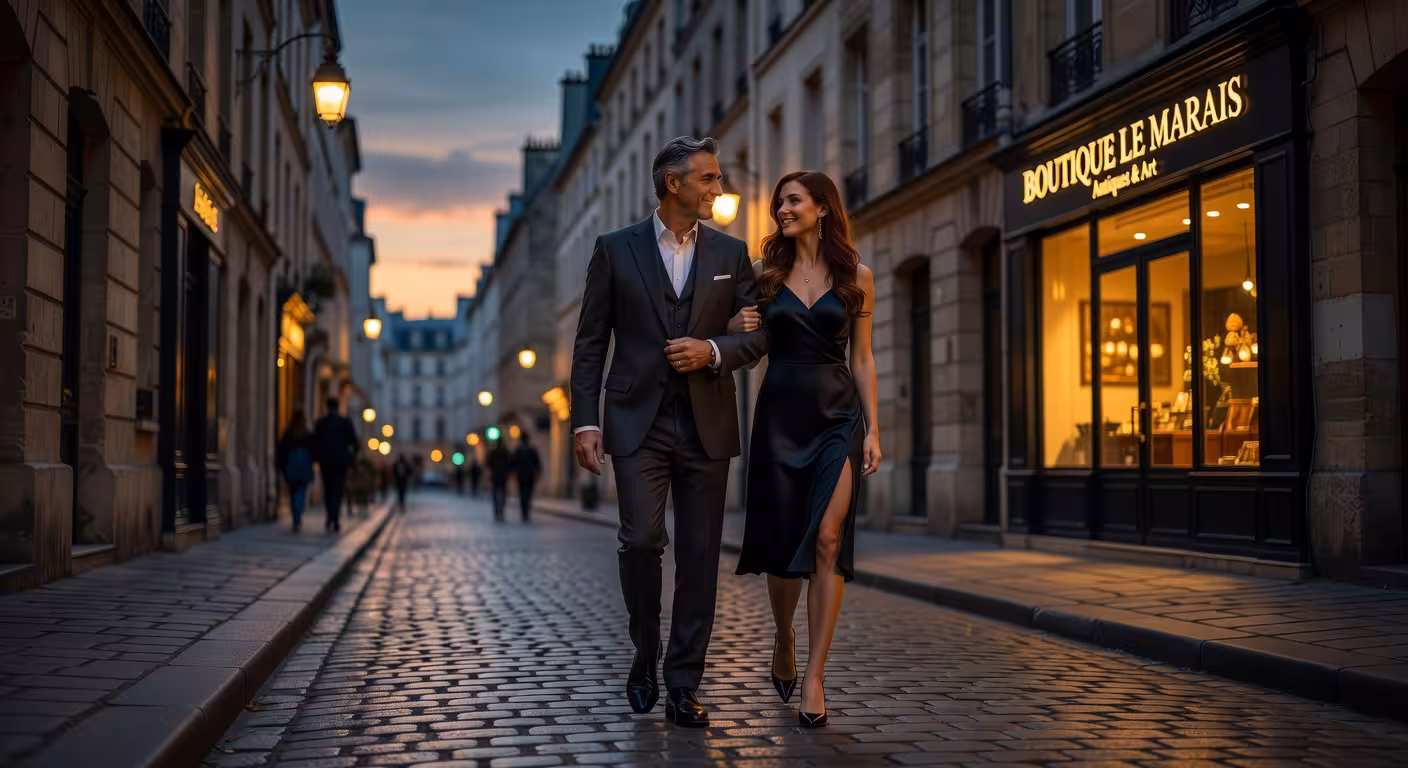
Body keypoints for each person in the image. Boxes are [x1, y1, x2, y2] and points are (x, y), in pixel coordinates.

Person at [570, 136, 767, 728]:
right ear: (673, 184)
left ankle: (683, 682)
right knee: (640, 541)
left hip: (707, 422)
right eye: (708, 179)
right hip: (636, 422)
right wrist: (586, 420)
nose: (718, 189)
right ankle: (644, 653)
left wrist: (712, 349)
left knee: (701, 557)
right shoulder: (614, 249)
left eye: (718, 178)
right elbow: (589, 343)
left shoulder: (733, 253)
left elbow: (757, 337)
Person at [731, 171, 881, 728]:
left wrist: (875, 429)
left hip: (838, 417)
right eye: (779, 203)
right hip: (779, 418)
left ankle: (815, 676)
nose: (782, 210)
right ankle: (784, 636)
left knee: (827, 538)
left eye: (792, 201)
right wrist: (736, 321)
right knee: (780, 548)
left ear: (822, 207)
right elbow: (743, 337)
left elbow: (863, 358)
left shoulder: (858, 276)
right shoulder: (765, 278)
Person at [313, 397, 359, 533]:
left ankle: (330, 515)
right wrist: (350, 457)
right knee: (338, 490)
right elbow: (355, 443)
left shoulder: (321, 423)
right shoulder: (344, 422)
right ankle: (335, 516)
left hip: (325, 462)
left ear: (327, 407)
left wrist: (317, 457)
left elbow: (315, 442)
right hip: (340, 462)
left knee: (327, 489)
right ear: (338, 407)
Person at [275, 412, 314, 532]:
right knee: (301, 492)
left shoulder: (288, 434)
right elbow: (313, 450)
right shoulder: (306, 434)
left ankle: (296, 516)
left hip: (291, 466)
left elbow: (282, 450)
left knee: (293, 492)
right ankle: (298, 515)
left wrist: (282, 466)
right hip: (304, 465)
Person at [511, 432, 542, 523]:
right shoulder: (532, 450)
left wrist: (514, 473)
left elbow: (513, 464)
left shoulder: (518, 450)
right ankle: (526, 510)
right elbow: (537, 464)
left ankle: (524, 511)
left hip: (521, 476)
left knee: (522, 494)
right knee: (528, 494)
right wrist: (538, 473)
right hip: (530, 475)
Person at [486, 439, 513, 522]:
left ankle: (497, 510)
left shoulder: (493, 452)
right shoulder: (506, 452)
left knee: (495, 494)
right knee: (503, 493)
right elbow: (510, 464)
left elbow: (488, 463)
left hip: (496, 476)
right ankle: (500, 510)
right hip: (503, 476)